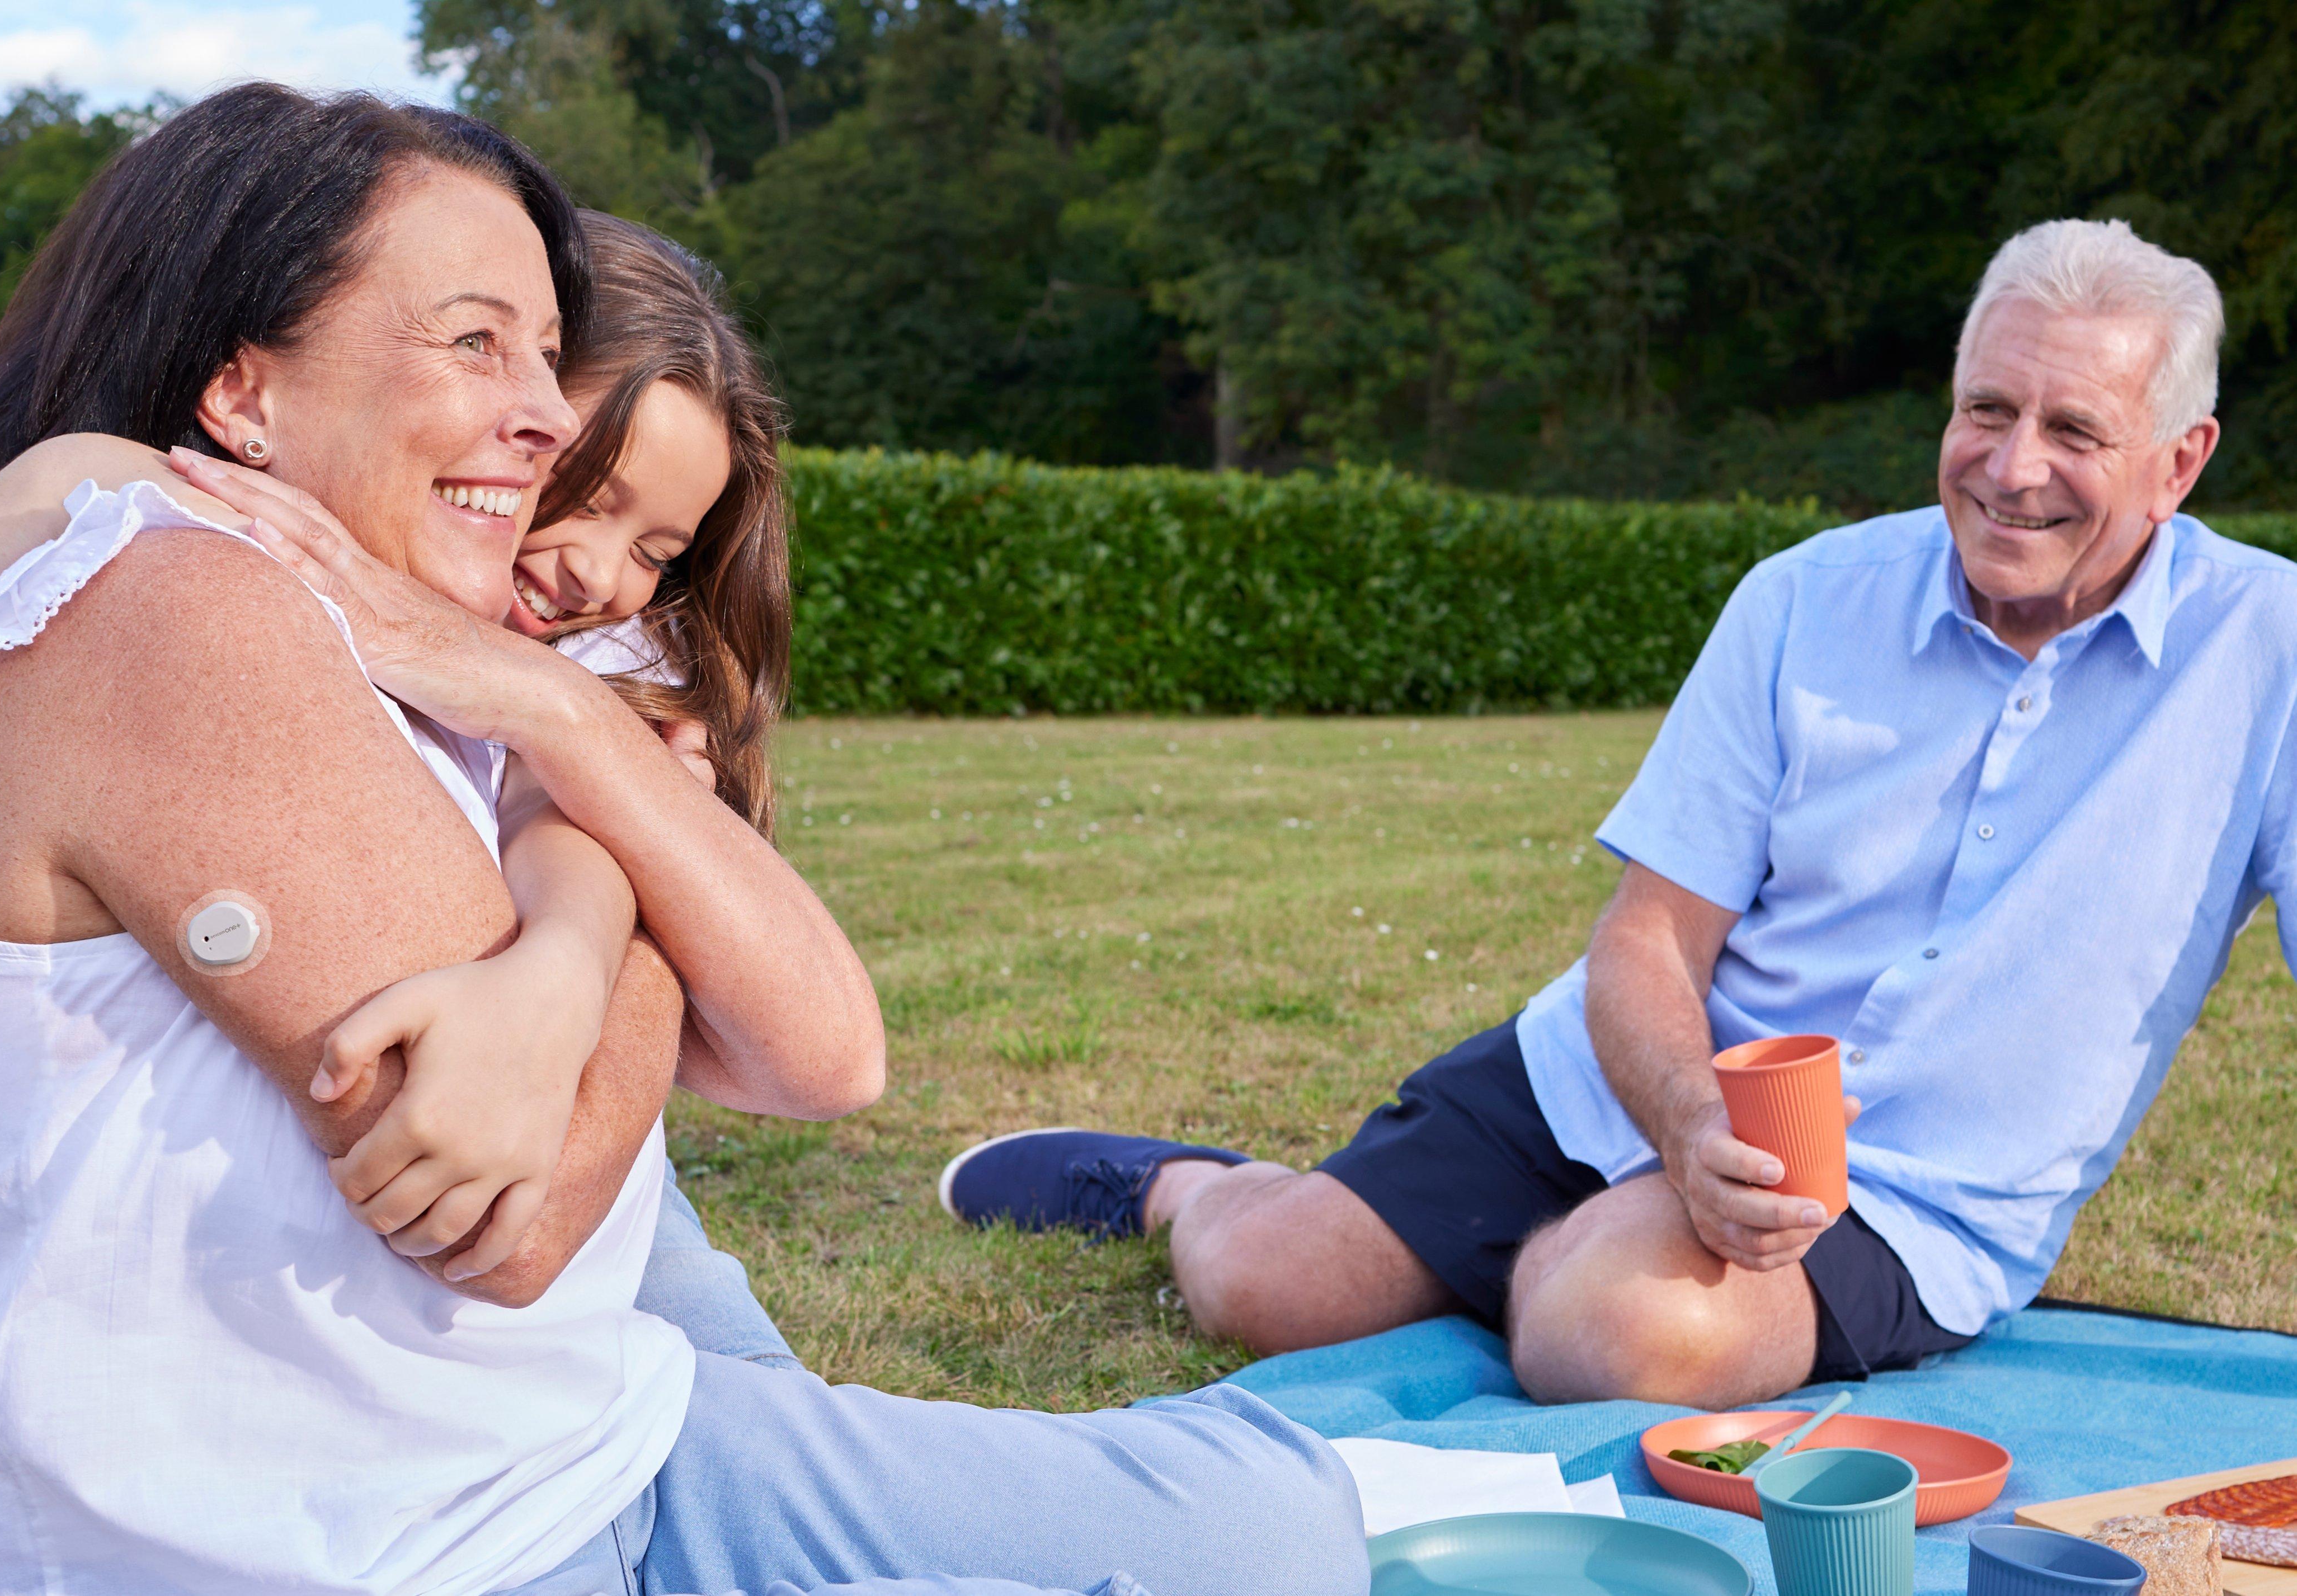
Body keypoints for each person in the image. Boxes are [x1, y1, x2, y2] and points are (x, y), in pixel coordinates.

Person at [0, 86, 1362, 1596]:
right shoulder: (177, 603)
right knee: (1233, 1535)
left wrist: (568, 790)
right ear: (240, 386)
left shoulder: (485, 659)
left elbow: (820, 1056)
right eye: (479, 346)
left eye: (547, 358)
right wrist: (75, 475)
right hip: (459, 1503)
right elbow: (523, 1200)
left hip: (552, 1426)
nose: (544, 430)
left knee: (1275, 1523)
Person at [945, 218, 2293, 1412]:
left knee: (1614, 1332)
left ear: (2179, 462)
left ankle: (1563, 1261)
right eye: (1984, 409)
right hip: (1625, 1076)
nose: (2008, 468)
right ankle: (1179, 1182)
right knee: (1261, 1282)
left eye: (2072, 432)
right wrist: (1687, 1123)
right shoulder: (1802, 599)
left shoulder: (2270, 653)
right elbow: (1650, 934)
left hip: (1905, 1201)